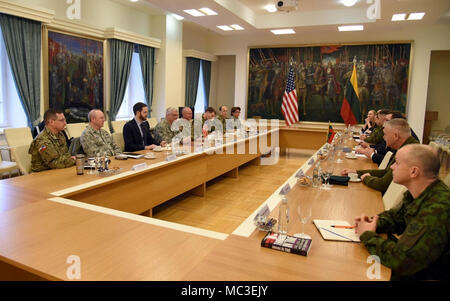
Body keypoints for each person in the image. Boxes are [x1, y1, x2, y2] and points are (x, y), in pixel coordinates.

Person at [355, 144, 449, 280]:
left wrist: (367, 235)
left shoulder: (437, 208)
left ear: (414, 172)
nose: (392, 167)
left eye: (397, 163)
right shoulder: (419, 193)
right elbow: (396, 218)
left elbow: (402, 261)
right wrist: (372, 222)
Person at [341, 119, 419, 194]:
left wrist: (366, 178)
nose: (383, 137)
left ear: (395, 136)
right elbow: (385, 172)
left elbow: (383, 184)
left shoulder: (409, 151)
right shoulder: (403, 147)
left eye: (385, 134)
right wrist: (356, 172)